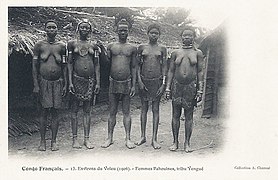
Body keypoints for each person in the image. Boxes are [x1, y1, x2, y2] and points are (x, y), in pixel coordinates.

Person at [165, 26, 204, 152]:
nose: (187, 37)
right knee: (175, 115)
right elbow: (170, 70)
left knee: (189, 116)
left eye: (190, 35)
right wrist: (167, 88)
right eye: (185, 35)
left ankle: (187, 143)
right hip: (177, 86)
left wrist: (200, 90)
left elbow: (200, 72)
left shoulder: (198, 53)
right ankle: (175, 142)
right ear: (181, 37)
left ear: (193, 37)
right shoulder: (176, 53)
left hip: (191, 87)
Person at [101, 19, 137, 149]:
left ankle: (128, 138)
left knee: (127, 112)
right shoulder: (111, 46)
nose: (123, 32)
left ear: (128, 31)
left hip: (126, 82)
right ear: (116, 31)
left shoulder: (132, 48)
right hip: (113, 82)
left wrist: (133, 85)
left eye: (125, 30)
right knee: (112, 112)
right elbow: (106, 65)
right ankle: (109, 138)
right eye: (120, 30)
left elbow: (134, 67)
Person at [32, 20, 67, 151]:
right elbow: (34, 66)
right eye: (49, 27)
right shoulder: (39, 45)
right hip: (43, 82)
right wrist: (36, 84)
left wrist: (65, 84)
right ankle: (42, 141)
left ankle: (54, 141)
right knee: (43, 112)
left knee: (55, 112)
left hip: (58, 83)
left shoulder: (62, 46)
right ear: (45, 29)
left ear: (57, 30)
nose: (52, 30)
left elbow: (64, 66)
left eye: (54, 27)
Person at [67, 20, 100, 149]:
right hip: (76, 79)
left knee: (87, 110)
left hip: (90, 81)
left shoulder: (94, 45)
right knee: (74, 110)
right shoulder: (72, 44)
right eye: (82, 27)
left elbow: (97, 64)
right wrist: (70, 82)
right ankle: (75, 139)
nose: (84, 30)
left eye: (87, 28)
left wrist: (98, 82)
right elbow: (69, 64)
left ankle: (87, 139)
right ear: (78, 29)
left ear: (90, 30)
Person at [135, 24, 167, 149]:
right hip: (144, 80)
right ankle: (143, 136)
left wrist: (163, 84)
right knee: (143, 108)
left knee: (155, 109)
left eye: (156, 33)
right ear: (147, 33)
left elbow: (164, 67)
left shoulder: (163, 49)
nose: (154, 35)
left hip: (157, 81)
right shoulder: (141, 47)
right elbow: (137, 66)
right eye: (152, 32)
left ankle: (154, 138)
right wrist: (139, 81)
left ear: (159, 35)